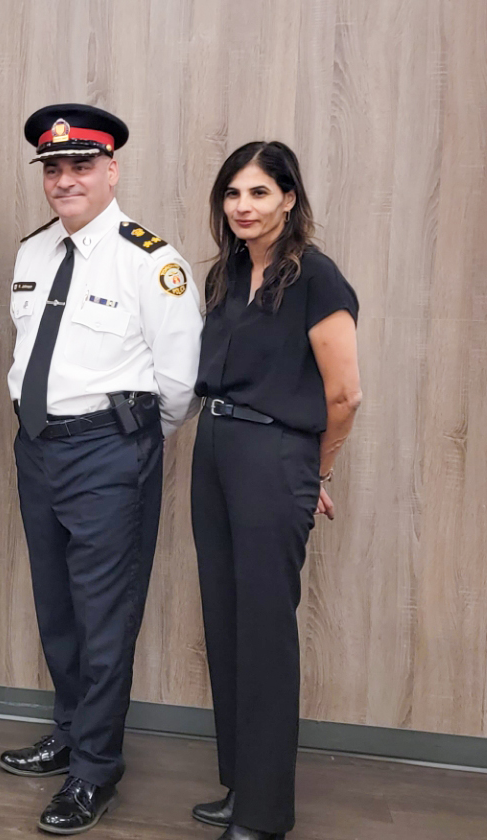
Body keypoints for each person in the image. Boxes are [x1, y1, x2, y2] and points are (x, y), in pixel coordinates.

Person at [0, 103, 204, 834]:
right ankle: (71, 731)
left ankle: (94, 770)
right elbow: (28, 353)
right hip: (37, 448)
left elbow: (179, 382)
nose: (65, 180)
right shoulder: (32, 252)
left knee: (104, 615)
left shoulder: (153, 260)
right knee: (57, 606)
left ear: (112, 169)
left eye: (81, 165)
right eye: (53, 168)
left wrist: (131, 444)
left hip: (110, 450)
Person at [188, 142, 361, 840]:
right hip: (216, 448)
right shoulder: (226, 274)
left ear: (289, 198)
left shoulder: (317, 278)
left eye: (259, 193)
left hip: (275, 455)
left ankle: (264, 817)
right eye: (233, 194)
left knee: (263, 636)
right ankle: (241, 786)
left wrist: (315, 474)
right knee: (226, 627)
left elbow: (345, 395)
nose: (243, 207)